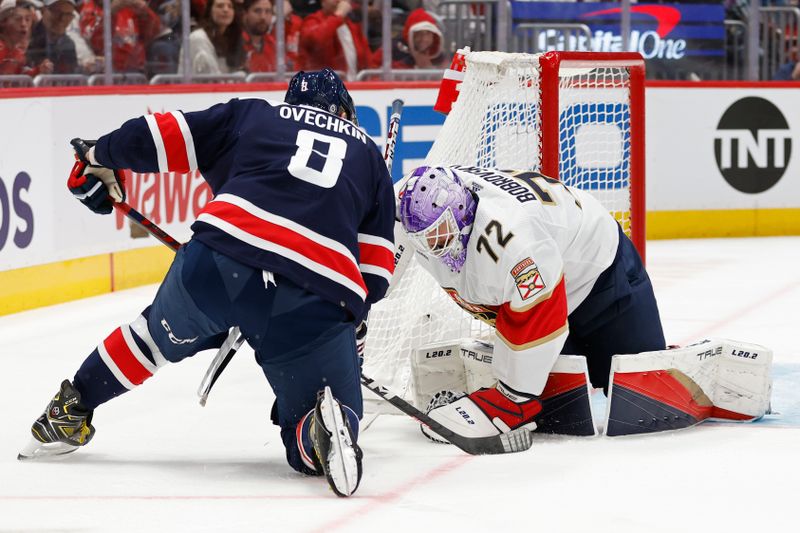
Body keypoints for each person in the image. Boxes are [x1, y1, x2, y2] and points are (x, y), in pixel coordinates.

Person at [19, 69, 397, 498]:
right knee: (330, 416)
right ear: (347, 112)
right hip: (313, 295)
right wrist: (351, 325)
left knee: (151, 338)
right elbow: (376, 272)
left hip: (218, 261)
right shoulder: (369, 158)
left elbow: (161, 134)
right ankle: (316, 429)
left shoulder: (256, 115)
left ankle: (70, 409)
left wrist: (98, 155)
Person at [395, 166, 666, 438]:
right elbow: (375, 258)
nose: (434, 245)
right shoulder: (406, 205)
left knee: (646, 397)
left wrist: (512, 400)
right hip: (543, 276)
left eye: (440, 232)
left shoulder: (514, 242)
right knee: (564, 408)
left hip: (600, 273)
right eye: (425, 238)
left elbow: (542, 307)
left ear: (463, 212)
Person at [298, 0, 380, 80]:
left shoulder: (353, 27)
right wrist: (338, 15)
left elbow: (368, 62)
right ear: (322, 2)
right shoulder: (312, 21)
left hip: (353, 88)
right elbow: (316, 40)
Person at [183, 0, 244, 74]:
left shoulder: (232, 38)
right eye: (220, 6)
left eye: (230, 6)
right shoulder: (198, 38)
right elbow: (211, 77)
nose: (226, 10)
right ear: (210, 11)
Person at [0, 0, 53, 75]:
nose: (24, 24)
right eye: (18, 19)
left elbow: (21, 75)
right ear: (3, 21)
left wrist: (39, 70)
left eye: (28, 19)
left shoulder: (18, 53)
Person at [27, 0, 79, 74]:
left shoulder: (68, 43)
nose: (62, 19)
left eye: (68, 14)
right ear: (43, 10)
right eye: (57, 12)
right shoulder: (27, 39)